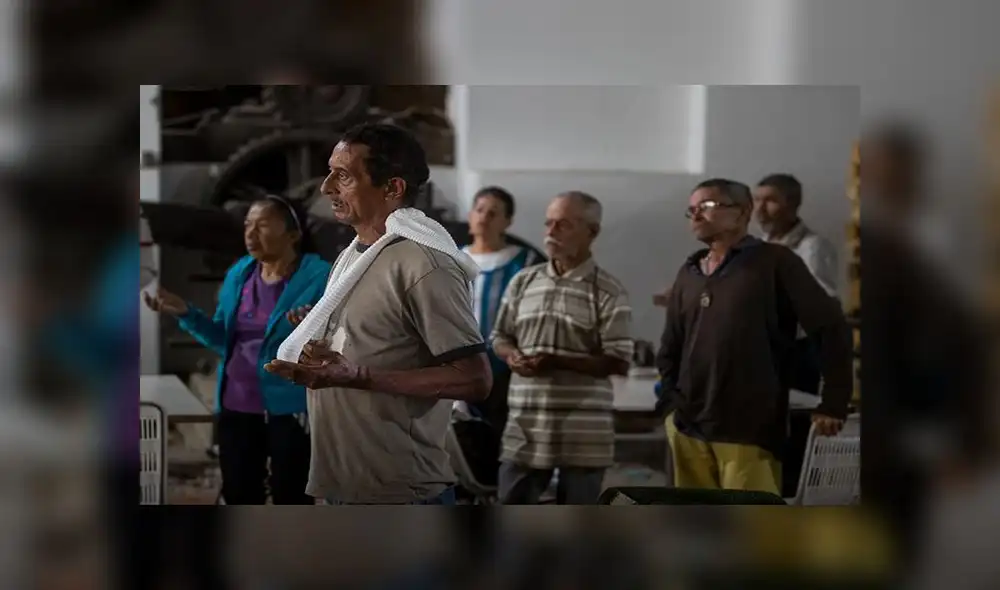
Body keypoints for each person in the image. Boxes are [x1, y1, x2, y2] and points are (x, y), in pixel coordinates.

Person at [264, 123, 492, 505]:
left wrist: (359, 375)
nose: (326, 187)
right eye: (330, 172)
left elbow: (474, 380)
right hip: (345, 484)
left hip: (401, 491)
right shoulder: (353, 256)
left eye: (344, 176)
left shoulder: (424, 264)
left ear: (392, 188)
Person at [655, 178, 852, 495]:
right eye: (691, 210)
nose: (696, 215)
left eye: (707, 207)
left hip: (746, 429)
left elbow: (830, 327)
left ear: (742, 212)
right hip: (687, 427)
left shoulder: (774, 262)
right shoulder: (689, 271)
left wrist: (834, 401)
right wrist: (669, 403)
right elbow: (670, 346)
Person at [143, 195, 331, 505]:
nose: (250, 233)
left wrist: (314, 328)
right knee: (240, 493)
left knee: (292, 494)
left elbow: (338, 336)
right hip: (236, 406)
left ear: (293, 235)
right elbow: (223, 340)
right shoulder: (240, 273)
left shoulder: (320, 277)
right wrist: (185, 313)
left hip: (292, 409)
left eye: (263, 225)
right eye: (247, 225)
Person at [490, 191, 633, 505]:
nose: (550, 233)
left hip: (583, 436)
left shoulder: (608, 290)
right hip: (525, 428)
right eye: (548, 223)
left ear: (591, 232)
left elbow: (619, 361)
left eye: (563, 225)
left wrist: (556, 361)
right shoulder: (523, 282)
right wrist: (511, 355)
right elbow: (499, 336)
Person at [458, 187, 541, 461]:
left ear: (508, 221)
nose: (484, 217)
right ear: (470, 216)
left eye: (494, 213)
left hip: (508, 370)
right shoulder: (452, 260)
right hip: (458, 366)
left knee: (505, 447)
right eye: (480, 210)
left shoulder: (526, 262)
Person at [753, 173, 839, 397]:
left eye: (770, 201)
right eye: (756, 200)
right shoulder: (759, 246)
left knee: (791, 423)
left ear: (793, 204)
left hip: (794, 353)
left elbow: (820, 304)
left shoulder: (813, 248)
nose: (759, 209)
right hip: (759, 349)